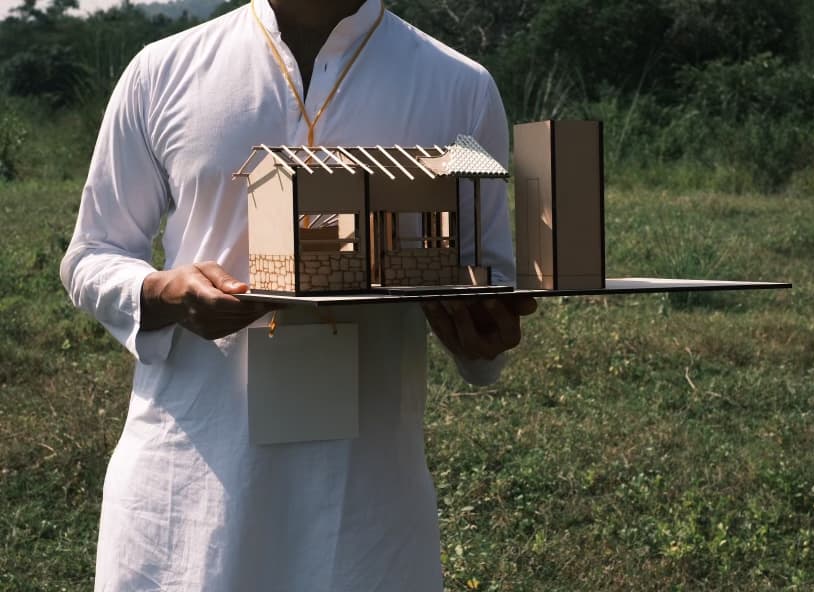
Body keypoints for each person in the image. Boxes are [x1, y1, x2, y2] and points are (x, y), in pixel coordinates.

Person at [60, 0, 535, 589]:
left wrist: (480, 339)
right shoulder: (163, 70)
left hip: (367, 508)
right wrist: (161, 291)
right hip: (188, 492)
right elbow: (92, 252)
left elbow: (486, 281)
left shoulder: (458, 87)